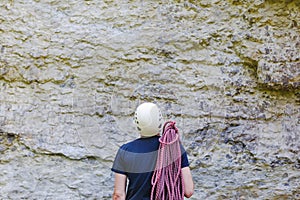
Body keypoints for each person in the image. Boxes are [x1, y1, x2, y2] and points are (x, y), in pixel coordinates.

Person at [111, 102, 194, 200]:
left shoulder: (125, 151)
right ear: (160, 121)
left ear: (136, 123)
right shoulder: (174, 148)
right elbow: (188, 191)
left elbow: (118, 195)